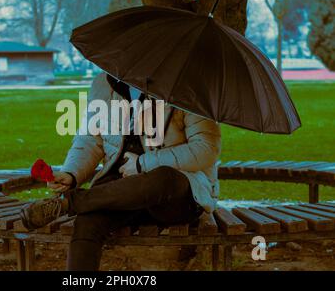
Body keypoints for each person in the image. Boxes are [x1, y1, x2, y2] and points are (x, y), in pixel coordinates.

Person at [20, 74, 221, 271]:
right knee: (87, 222)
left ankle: (69, 202)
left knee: (163, 177)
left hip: (176, 195)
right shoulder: (103, 84)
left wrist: (144, 163)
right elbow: (91, 139)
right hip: (118, 191)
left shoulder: (188, 87)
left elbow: (206, 149)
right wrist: (72, 173)